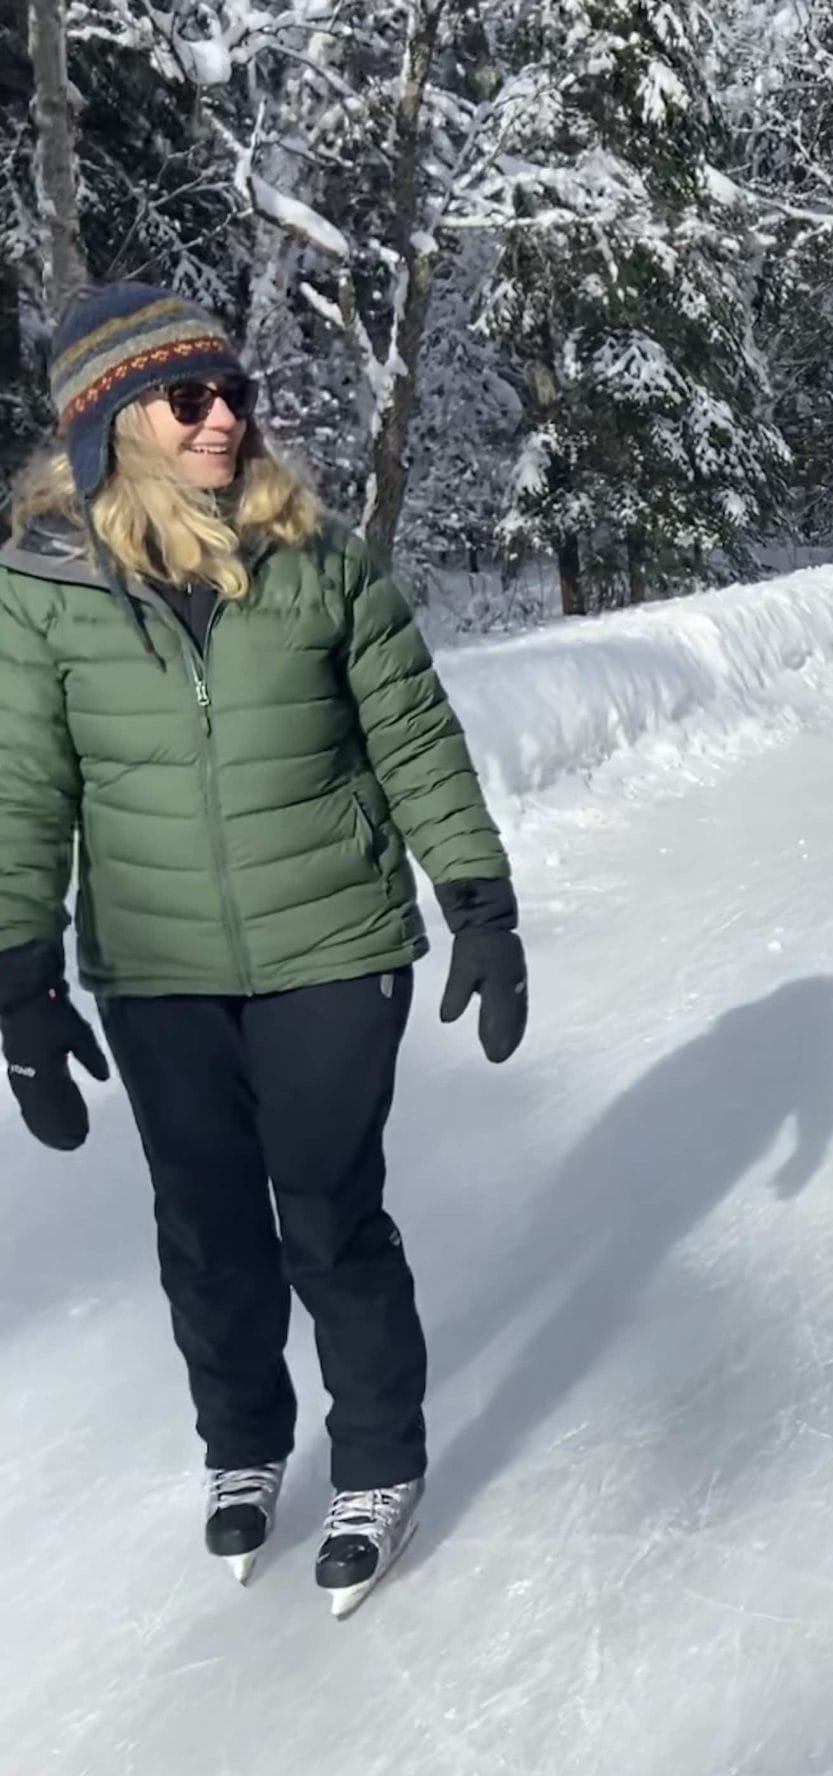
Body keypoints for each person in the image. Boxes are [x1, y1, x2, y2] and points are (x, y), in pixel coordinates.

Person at [0, 285, 525, 1614]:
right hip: (159, 969)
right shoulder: (44, 590)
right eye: (190, 399)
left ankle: (378, 1462)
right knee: (206, 1223)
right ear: (114, 422)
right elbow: (22, 790)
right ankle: (243, 1448)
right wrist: (20, 975)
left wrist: (477, 899)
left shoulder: (315, 556)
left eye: (233, 391)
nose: (225, 417)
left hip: (334, 944)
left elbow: (411, 735)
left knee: (328, 1211)